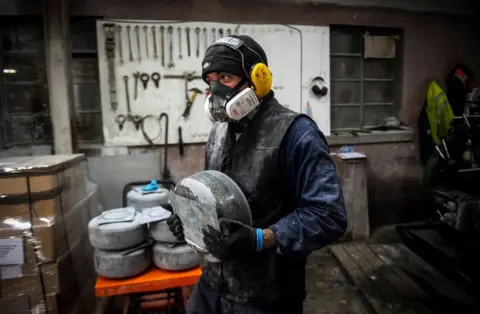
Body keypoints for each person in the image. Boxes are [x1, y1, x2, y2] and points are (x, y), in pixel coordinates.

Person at [167, 35, 347, 314]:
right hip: (213, 286)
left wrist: (260, 238)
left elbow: (328, 216)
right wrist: (189, 218)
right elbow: (213, 198)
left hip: (267, 297)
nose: (214, 89)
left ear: (258, 79)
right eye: (210, 80)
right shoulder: (218, 132)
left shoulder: (298, 134)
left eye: (225, 77)